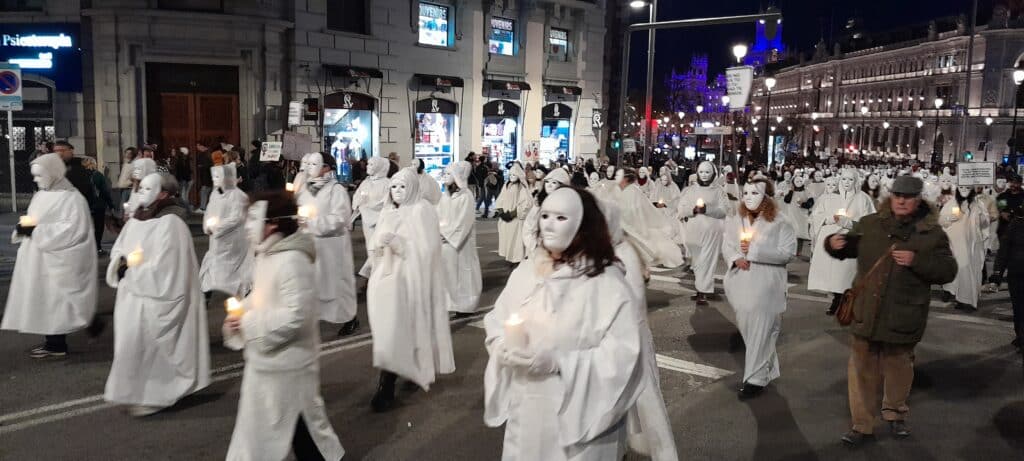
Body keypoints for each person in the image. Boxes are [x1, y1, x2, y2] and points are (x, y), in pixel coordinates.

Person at [483, 187, 642, 460]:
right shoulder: (527, 272)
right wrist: (502, 347)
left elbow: (623, 356)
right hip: (528, 412)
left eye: (561, 218)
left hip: (578, 423)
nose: (549, 225)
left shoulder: (606, 284)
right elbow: (499, 320)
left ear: (584, 226)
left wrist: (560, 363)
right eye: (545, 215)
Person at [824, 175, 957, 446]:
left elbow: (948, 270)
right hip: (867, 310)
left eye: (907, 196)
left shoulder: (932, 234)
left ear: (919, 199)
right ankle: (862, 425)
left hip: (903, 313)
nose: (901, 200)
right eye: (897, 195)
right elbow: (850, 246)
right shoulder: (871, 224)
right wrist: (834, 244)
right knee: (860, 368)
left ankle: (895, 413)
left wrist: (917, 260)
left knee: (898, 367)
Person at [224, 191, 346, 461]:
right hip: (269, 363)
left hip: (288, 365)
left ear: (273, 223)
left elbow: (297, 315)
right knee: (283, 429)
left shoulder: (292, 260)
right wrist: (240, 313)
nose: (247, 225)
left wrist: (249, 322)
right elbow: (262, 296)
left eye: (253, 218)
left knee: (305, 429)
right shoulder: (269, 254)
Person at [104, 173, 211, 417]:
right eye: (139, 187)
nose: (140, 191)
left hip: (155, 298)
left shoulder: (171, 224)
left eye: (147, 187)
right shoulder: (135, 220)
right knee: (131, 347)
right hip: (131, 297)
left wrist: (133, 272)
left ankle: (159, 393)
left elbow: (169, 270)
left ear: (163, 194)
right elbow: (120, 247)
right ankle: (136, 391)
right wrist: (119, 264)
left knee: (152, 348)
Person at [366, 168, 455, 412]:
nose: (397, 191)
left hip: (410, 282)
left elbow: (428, 251)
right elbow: (375, 245)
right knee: (388, 330)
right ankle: (395, 374)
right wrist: (379, 244)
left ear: (413, 187)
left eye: (402, 186)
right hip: (387, 281)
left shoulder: (421, 210)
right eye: (393, 187)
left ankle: (388, 382)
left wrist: (400, 245)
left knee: (403, 329)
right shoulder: (388, 210)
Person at [601, 202, 678, 461]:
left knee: (646, 403)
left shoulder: (624, 254)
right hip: (612, 343)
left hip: (632, 342)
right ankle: (619, 448)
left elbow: (629, 305)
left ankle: (662, 453)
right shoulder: (604, 252)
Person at [2, 154, 98, 358]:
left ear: (54, 172)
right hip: (37, 258)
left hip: (57, 260)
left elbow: (74, 229)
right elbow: (34, 219)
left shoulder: (73, 198)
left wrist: (37, 231)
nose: (36, 179)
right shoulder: (40, 195)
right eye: (34, 175)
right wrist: (23, 228)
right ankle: (51, 341)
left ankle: (57, 343)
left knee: (56, 301)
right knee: (43, 299)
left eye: (39, 175)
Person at [722, 179, 797, 399]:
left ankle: (754, 379)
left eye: (754, 193)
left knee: (761, 331)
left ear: (766, 196)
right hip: (742, 284)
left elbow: (787, 254)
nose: (748, 197)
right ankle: (767, 369)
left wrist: (755, 251)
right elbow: (727, 243)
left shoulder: (781, 222)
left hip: (767, 286)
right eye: (745, 192)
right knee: (750, 330)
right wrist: (736, 257)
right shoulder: (738, 219)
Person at [297, 153, 359, 337]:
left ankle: (349, 317)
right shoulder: (305, 189)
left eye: (315, 164)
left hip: (332, 246)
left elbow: (340, 218)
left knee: (335, 283)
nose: (309, 168)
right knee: (311, 283)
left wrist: (313, 223)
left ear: (327, 168)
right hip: (309, 244)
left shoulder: (336, 190)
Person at [807, 168, 877, 315]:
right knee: (834, 275)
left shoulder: (863, 198)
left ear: (855, 181)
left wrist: (850, 223)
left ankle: (847, 302)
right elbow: (816, 215)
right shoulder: (829, 197)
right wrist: (829, 219)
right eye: (844, 179)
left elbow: (870, 222)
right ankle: (836, 300)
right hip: (833, 241)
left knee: (847, 275)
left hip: (851, 242)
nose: (846, 182)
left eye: (850, 179)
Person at [677, 161, 730, 305]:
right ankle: (703, 288)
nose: (704, 175)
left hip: (712, 232)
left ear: (713, 173)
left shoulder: (719, 191)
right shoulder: (690, 190)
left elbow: (725, 210)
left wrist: (708, 210)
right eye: (701, 172)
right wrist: (692, 210)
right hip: (694, 232)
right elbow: (681, 209)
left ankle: (703, 291)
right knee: (698, 262)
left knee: (707, 261)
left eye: (707, 172)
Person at [199, 163, 251, 297]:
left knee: (233, 268)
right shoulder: (215, 193)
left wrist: (217, 227)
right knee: (212, 265)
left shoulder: (239, 196)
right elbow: (209, 212)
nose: (215, 179)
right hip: (216, 240)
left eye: (218, 176)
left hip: (232, 240)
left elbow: (237, 217)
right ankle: (206, 292)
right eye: (213, 176)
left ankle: (242, 291)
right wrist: (207, 226)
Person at [437, 161, 482, 318]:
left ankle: (466, 305)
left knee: (464, 275)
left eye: (449, 174)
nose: (445, 176)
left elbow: (464, 221)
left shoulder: (466, 196)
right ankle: (451, 303)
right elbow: (439, 216)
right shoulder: (446, 196)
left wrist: (447, 235)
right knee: (449, 275)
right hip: (446, 242)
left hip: (460, 243)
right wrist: (438, 231)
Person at [618, 168, 684, 269]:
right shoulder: (628, 190)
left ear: (625, 179)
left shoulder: (632, 191)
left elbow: (636, 209)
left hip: (634, 223)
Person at [939, 186, 989, 311]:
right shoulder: (952, 203)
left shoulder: (978, 204)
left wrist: (981, 214)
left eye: (967, 187)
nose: (964, 190)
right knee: (958, 271)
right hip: (956, 246)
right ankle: (958, 298)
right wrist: (950, 218)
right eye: (961, 187)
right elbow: (942, 221)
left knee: (970, 272)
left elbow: (984, 223)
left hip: (972, 247)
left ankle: (970, 300)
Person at [991, 204, 1024, 353]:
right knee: (1018, 308)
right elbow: (1004, 250)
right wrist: (997, 272)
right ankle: (1020, 335)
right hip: (1016, 274)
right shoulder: (1015, 225)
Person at [351, 157, 391, 277]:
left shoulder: (387, 183)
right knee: (370, 247)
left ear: (379, 167)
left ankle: (379, 274)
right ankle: (373, 274)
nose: (367, 166)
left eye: (371, 164)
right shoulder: (366, 182)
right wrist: (359, 202)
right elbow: (358, 196)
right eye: (368, 164)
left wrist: (369, 206)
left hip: (379, 221)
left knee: (379, 248)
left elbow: (386, 202)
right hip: (367, 221)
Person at [494, 162, 532, 265]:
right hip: (506, 219)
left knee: (516, 241)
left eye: (514, 175)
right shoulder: (507, 185)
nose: (511, 177)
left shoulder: (522, 187)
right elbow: (501, 198)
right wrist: (501, 212)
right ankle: (510, 258)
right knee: (508, 240)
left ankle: (517, 260)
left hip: (515, 219)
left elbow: (526, 203)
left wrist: (513, 214)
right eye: (510, 175)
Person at [81, 157, 115, 252]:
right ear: (94, 164)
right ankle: (97, 247)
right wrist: (111, 204)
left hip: (84, 205)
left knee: (85, 227)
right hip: (98, 204)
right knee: (99, 226)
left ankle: (86, 247)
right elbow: (105, 191)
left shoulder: (81, 176)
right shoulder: (98, 175)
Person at [196, 141, 214, 212]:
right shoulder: (207, 154)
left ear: (202, 146)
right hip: (206, 178)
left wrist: (201, 166)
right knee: (204, 192)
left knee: (203, 192)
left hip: (207, 177)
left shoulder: (206, 154)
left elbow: (209, 166)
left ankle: (203, 208)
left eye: (198, 145)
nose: (197, 147)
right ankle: (204, 207)